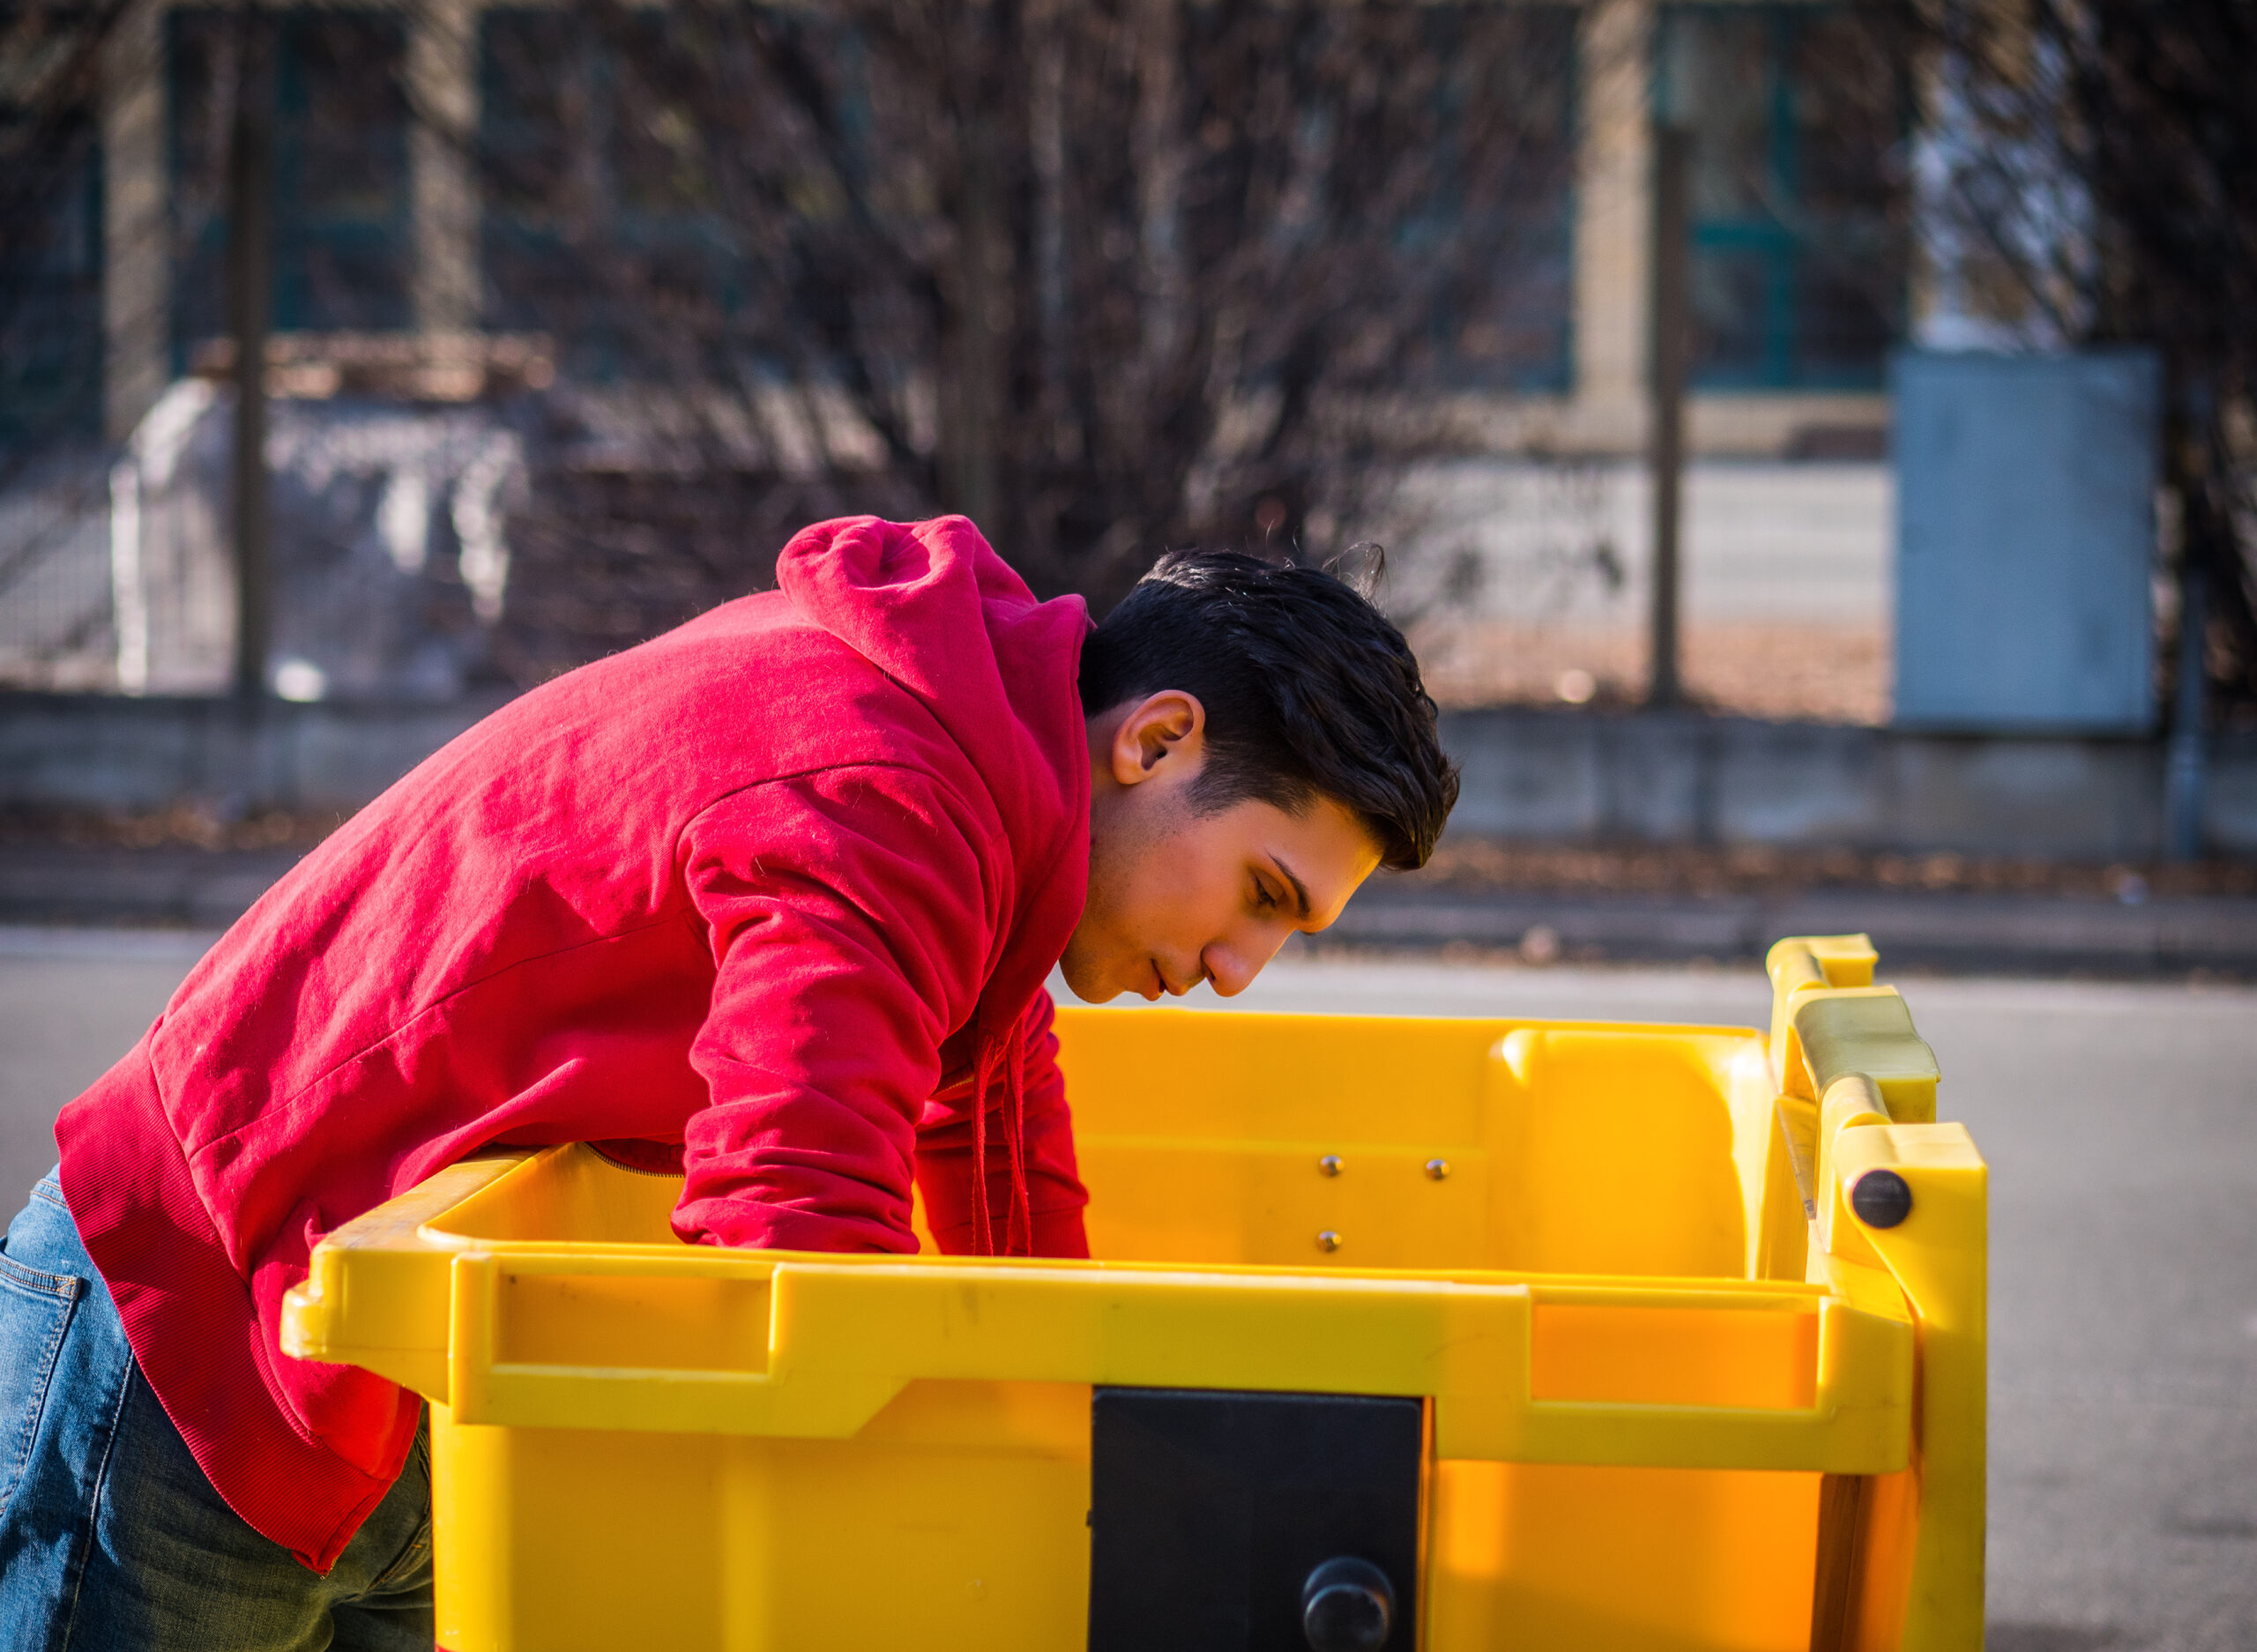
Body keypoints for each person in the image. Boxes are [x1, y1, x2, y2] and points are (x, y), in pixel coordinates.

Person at [0, 513, 1457, 1648]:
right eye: (1264, 892)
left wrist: (1080, 1479)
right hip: (190, 1323)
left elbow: (1000, 1164)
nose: (1239, 967)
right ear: (1157, 741)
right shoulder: (896, 791)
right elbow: (793, 1238)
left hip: (399, 1392)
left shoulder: (990, 792)